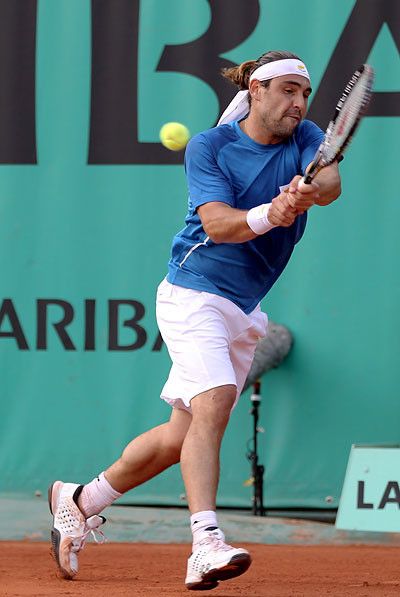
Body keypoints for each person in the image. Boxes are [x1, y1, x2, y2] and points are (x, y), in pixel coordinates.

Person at [48, 50, 341, 591]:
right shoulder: (210, 146)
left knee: (177, 436)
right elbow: (220, 225)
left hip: (245, 308)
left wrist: (308, 191)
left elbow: (330, 185)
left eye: (304, 93)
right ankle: (205, 543)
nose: (299, 102)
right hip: (194, 292)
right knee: (215, 403)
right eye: (287, 90)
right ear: (256, 91)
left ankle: (79, 500)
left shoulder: (306, 136)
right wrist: (270, 212)